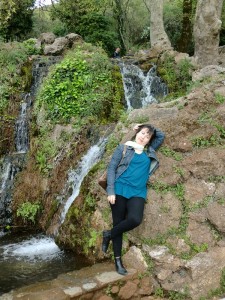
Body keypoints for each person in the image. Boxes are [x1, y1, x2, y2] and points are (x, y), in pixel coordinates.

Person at [102, 124, 165, 275]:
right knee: (118, 222)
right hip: (119, 188)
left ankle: (108, 234)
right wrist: (111, 190)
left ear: (150, 139)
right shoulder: (123, 148)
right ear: (136, 133)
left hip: (138, 192)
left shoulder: (149, 150)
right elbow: (111, 168)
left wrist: (146, 125)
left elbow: (161, 135)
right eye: (142, 133)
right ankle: (118, 261)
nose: (143, 137)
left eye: (147, 136)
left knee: (135, 219)